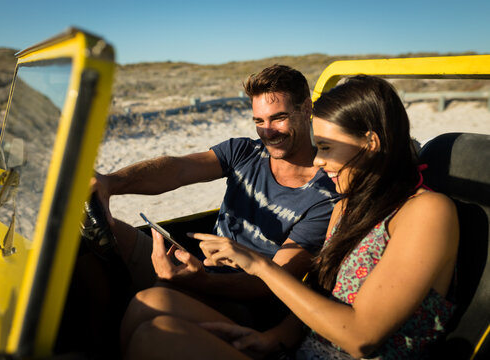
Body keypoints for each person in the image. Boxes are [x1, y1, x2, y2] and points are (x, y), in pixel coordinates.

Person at [124, 75, 459, 359]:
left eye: (326, 147)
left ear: (370, 143)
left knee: (154, 338)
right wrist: (274, 338)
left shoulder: (428, 211)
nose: (317, 161)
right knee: (147, 305)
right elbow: (319, 289)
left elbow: (362, 338)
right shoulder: (350, 203)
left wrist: (259, 266)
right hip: (301, 348)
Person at [88, 65, 338, 345]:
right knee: (97, 239)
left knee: (149, 303)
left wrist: (200, 282)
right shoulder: (246, 151)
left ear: (306, 109)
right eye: (259, 120)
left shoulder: (325, 194)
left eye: (278, 118)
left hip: (245, 306)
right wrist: (112, 182)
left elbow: (270, 285)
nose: (267, 131)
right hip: (202, 271)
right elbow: (178, 169)